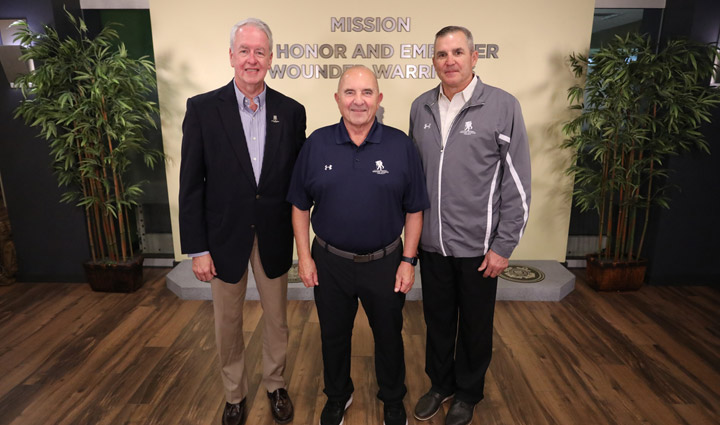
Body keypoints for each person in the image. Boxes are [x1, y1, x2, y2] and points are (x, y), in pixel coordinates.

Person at [178, 18, 306, 425]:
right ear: (231, 56)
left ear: (271, 58)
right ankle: (234, 394)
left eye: (260, 51)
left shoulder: (292, 112)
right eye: (245, 51)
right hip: (222, 238)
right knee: (227, 322)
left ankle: (275, 384)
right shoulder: (202, 109)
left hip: (272, 235)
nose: (252, 59)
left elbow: (296, 183)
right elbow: (190, 185)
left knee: (278, 319)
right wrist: (197, 248)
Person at [288, 65, 429, 425]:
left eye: (367, 93)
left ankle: (393, 399)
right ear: (337, 99)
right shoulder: (316, 144)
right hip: (329, 261)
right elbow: (300, 206)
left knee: (389, 336)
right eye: (349, 92)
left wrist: (407, 261)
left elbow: (415, 209)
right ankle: (338, 395)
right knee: (333, 336)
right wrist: (304, 258)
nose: (358, 101)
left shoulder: (401, 146)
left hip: (385, 261)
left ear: (379, 99)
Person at [409, 26, 531, 425]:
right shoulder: (420, 107)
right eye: (442, 54)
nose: (450, 61)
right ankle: (440, 384)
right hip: (432, 245)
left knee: (476, 326)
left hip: (481, 248)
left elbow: (517, 182)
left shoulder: (501, 106)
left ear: (474, 57)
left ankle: (468, 392)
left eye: (458, 52)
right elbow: (414, 178)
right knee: (438, 322)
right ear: (434, 61)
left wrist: (504, 245)